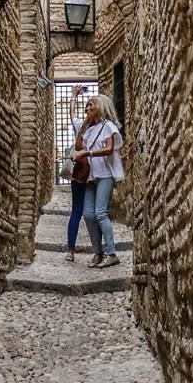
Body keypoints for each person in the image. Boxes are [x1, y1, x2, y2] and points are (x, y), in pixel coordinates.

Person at [72, 94, 125, 268]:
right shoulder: (89, 130)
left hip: (105, 175)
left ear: (100, 107)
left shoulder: (108, 126)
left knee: (100, 213)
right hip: (90, 176)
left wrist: (89, 154)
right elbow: (79, 146)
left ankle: (112, 253)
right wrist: (83, 127)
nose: (87, 109)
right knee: (88, 214)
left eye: (91, 106)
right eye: (86, 106)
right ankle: (98, 253)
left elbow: (109, 149)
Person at [63, 86, 89, 262]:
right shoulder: (88, 126)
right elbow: (73, 114)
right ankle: (72, 249)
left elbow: (72, 114)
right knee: (82, 211)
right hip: (85, 174)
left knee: (83, 212)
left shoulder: (84, 126)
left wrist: (73, 97)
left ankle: (71, 250)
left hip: (86, 175)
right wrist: (73, 97)